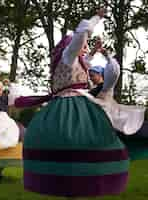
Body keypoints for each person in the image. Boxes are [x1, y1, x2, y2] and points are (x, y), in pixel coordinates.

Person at [16, 9, 133, 197]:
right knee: (75, 140)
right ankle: (73, 182)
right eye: (84, 45)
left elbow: (94, 63)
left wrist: (99, 53)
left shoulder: (76, 60)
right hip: (70, 107)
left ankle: (75, 182)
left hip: (70, 105)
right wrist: (98, 17)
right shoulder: (68, 56)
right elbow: (81, 34)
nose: (86, 47)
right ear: (72, 46)